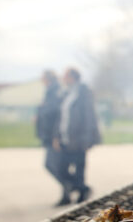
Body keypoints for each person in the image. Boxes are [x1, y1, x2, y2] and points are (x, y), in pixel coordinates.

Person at [55, 68, 100, 204]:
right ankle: (80, 189)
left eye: (66, 76)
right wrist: (56, 136)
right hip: (65, 137)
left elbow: (89, 117)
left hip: (79, 138)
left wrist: (87, 139)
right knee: (61, 168)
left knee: (79, 168)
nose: (63, 79)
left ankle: (81, 195)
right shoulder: (65, 93)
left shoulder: (83, 92)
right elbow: (60, 117)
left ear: (73, 77)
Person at [35, 70, 66, 205]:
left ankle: (75, 185)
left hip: (53, 135)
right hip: (50, 135)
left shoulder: (55, 92)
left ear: (48, 79)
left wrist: (55, 137)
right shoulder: (50, 91)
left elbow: (55, 115)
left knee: (51, 164)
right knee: (56, 165)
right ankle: (69, 189)